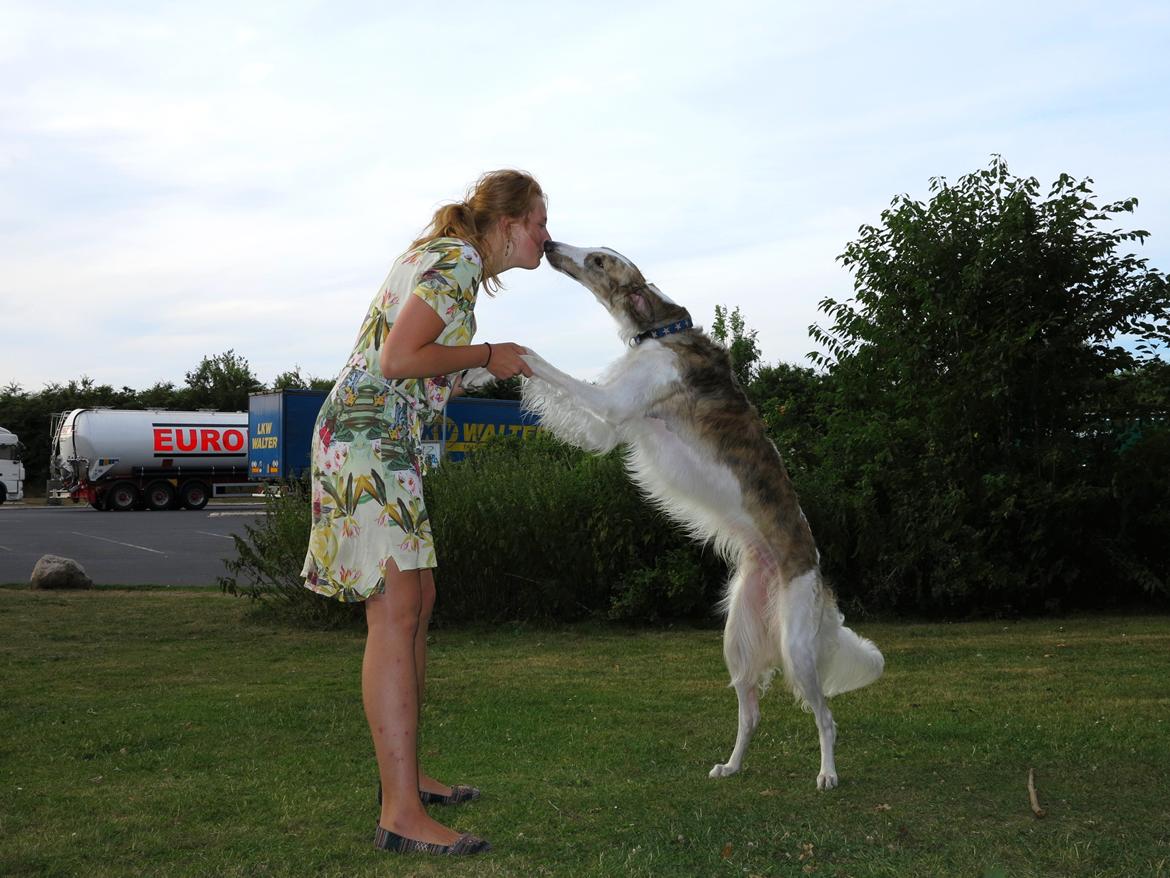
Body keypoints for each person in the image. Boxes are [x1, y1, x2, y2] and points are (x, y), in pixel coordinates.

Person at [300, 169, 550, 856]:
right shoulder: (458, 258)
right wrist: (487, 352)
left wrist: (479, 367)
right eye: (538, 222)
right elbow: (400, 355)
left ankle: (407, 782)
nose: (544, 236)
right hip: (365, 440)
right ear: (507, 226)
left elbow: (416, 360)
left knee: (417, 598)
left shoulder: (438, 254)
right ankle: (401, 814)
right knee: (395, 611)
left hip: (375, 439)